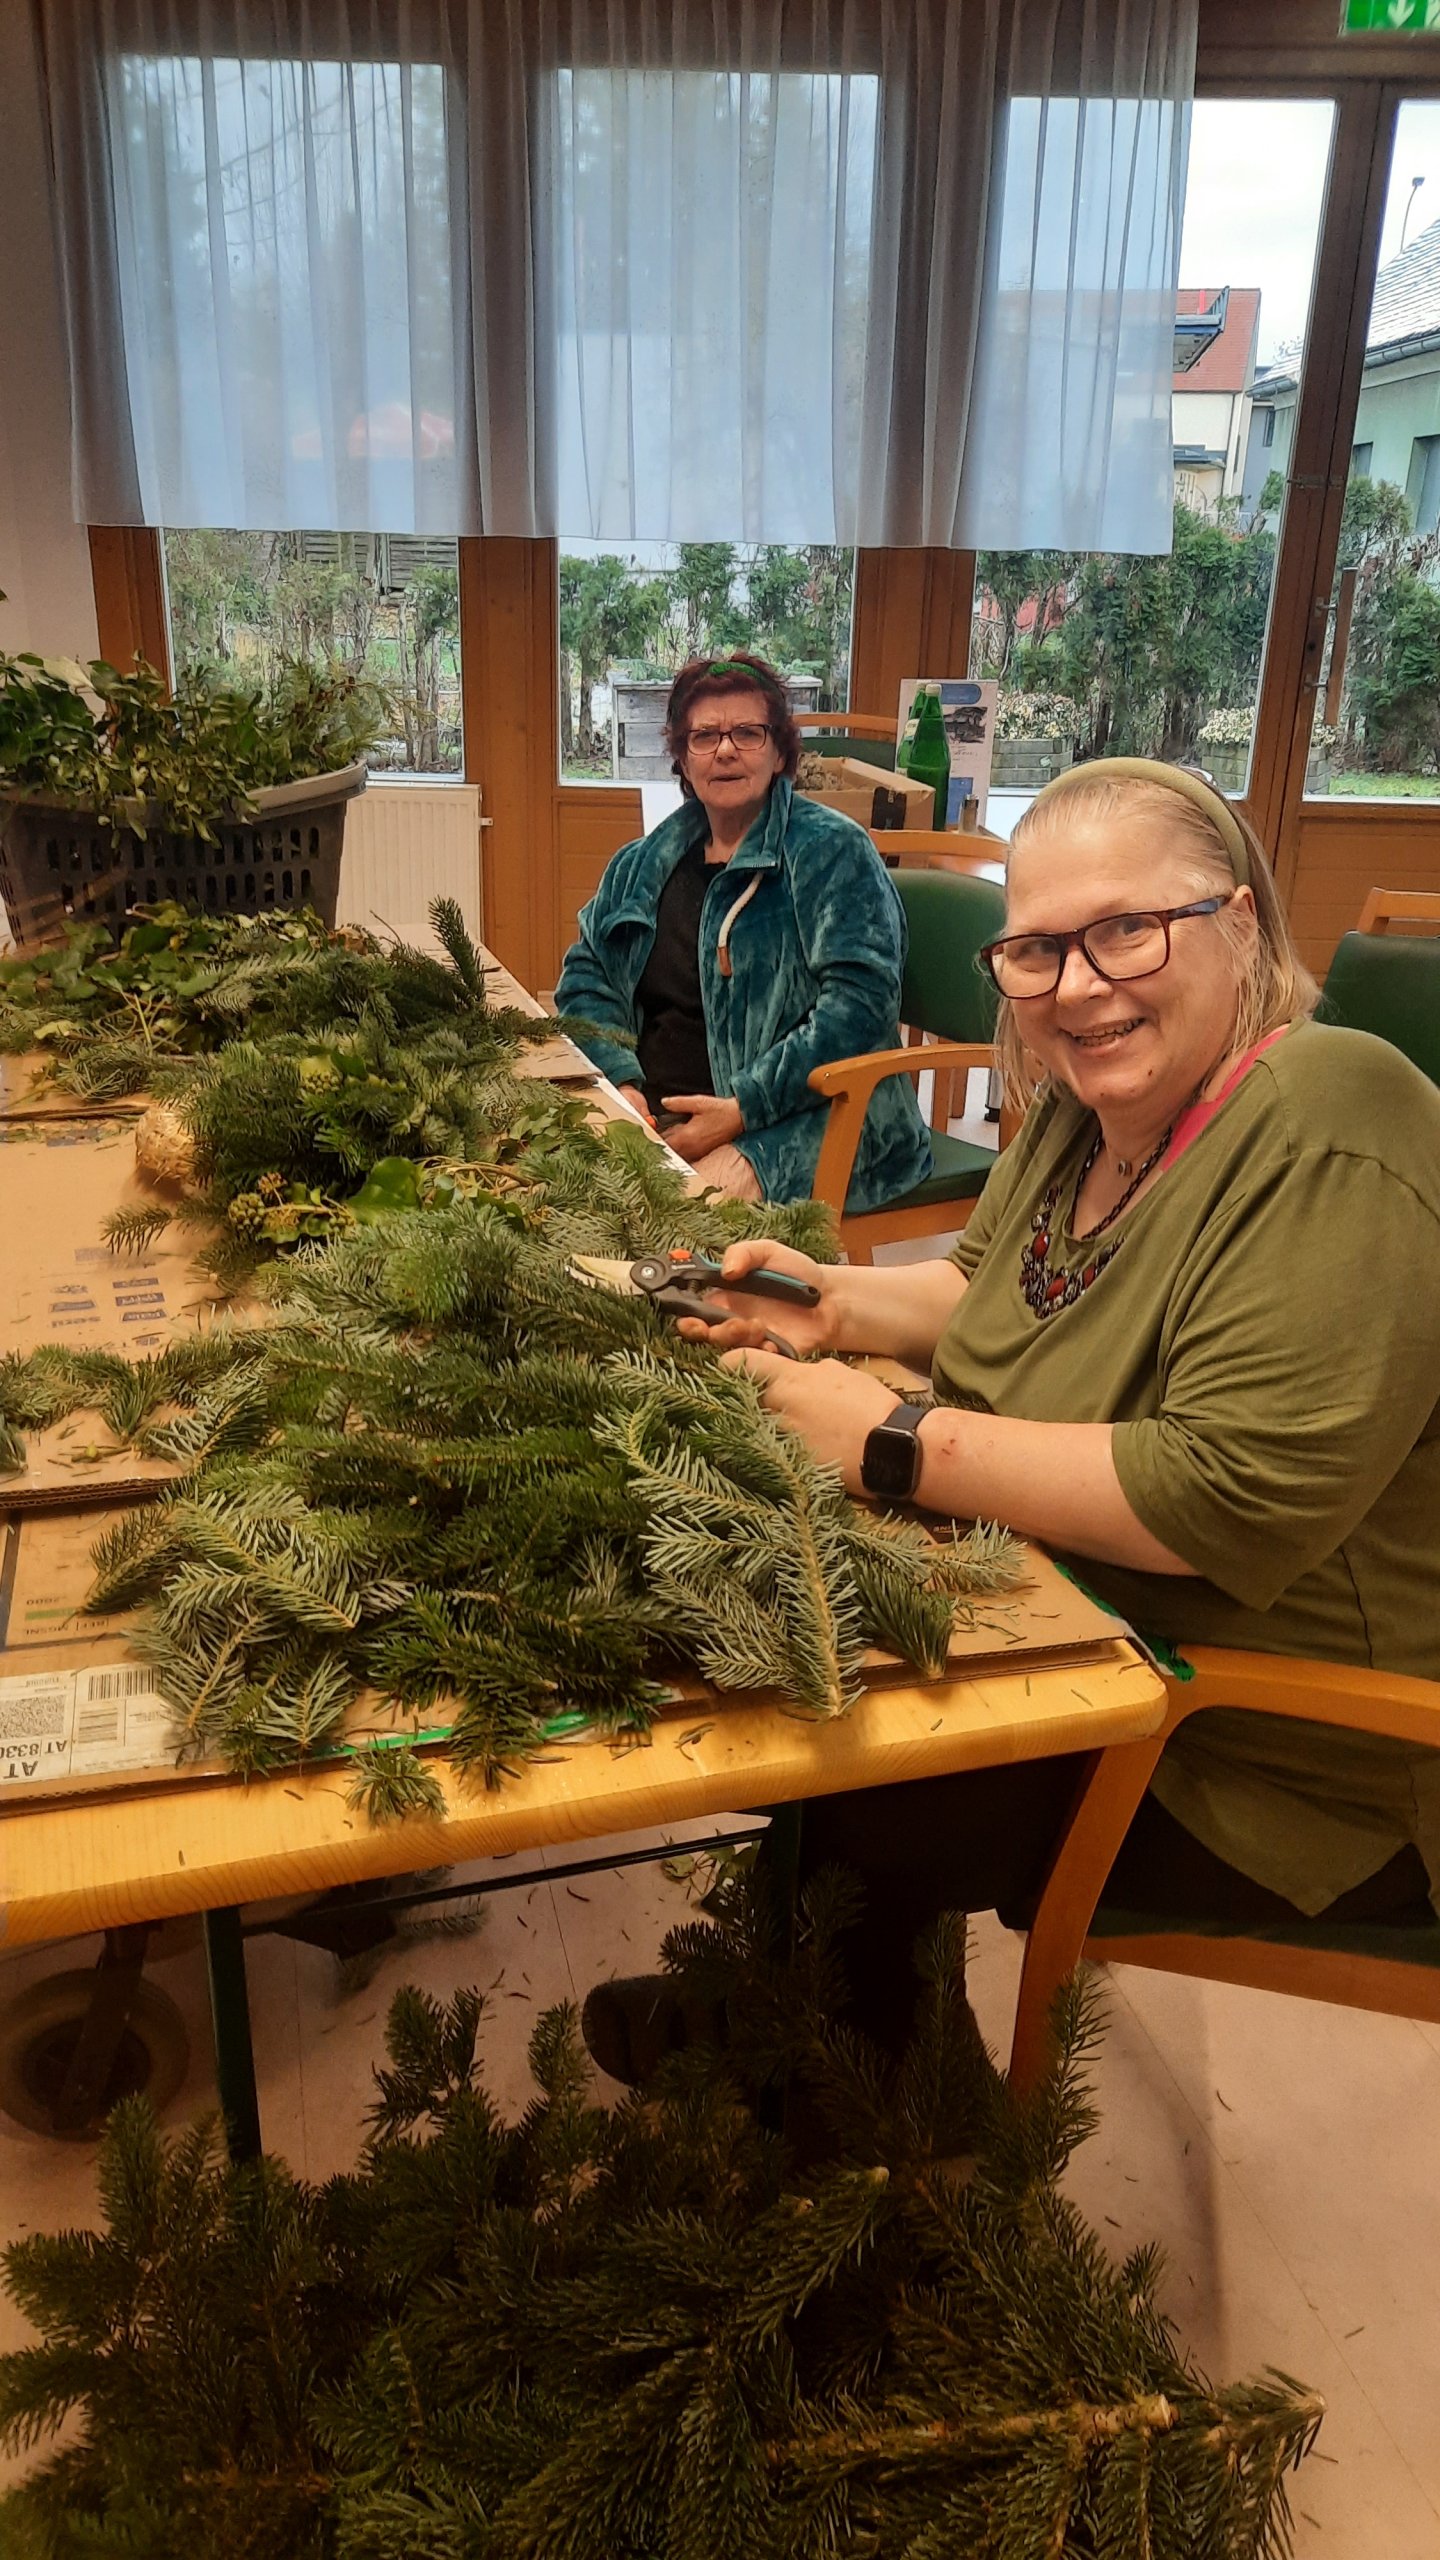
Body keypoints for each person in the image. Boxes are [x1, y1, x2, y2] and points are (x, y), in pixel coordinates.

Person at [584, 757, 1440, 2074]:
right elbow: (987, 1288)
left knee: (867, 1767)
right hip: (1080, 1610)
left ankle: (867, 2107)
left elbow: (1222, 1495)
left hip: (1277, 1751)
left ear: (1240, 924)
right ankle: (817, 2019)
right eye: (1036, 950)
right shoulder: (1092, 1101)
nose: (1077, 986)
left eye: (1126, 930)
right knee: (793, 1645)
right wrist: (829, 1303)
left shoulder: (1334, 1115)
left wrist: (891, 1443)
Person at [554, 651, 931, 1207]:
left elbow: (859, 1010)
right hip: (654, 1116)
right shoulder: (640, 865)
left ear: (779, 753)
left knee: (678, 1219)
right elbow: (589, 980)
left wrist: (742, 1110)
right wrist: (622, 1086)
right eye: (704, 736)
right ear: (683, 759)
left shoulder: (833, 851)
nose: (725, 750)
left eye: (748, 733)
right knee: (545, 1191)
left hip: (808, 1116)